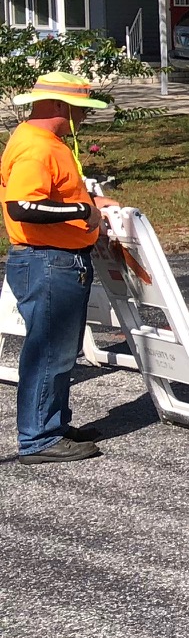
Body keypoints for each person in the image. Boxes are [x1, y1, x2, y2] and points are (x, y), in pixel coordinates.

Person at [3, 72, 112, 463]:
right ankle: (39, 438)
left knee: (59, 350)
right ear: (61, 107)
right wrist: (83, 211)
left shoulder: (42, 142)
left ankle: (52, 423)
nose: (82, 117)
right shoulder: (38, 148)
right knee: (50, 351)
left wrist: (89, 204)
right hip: (48, 259)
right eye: (80, 109)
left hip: (51, 259)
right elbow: (22, 206)